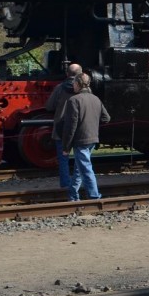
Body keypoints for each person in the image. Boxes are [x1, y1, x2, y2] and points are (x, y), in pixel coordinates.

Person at [59, 72, 110, 202]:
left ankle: (94, 196)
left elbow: (70, 126)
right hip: (92, 138)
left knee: (85, 168)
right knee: (79, 169)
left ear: (77, 84)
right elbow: (106, 118)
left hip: (80, 140)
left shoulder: (73, 100)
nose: (73, 86)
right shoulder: (95, 99)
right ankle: (72, 194)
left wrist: (65, 147)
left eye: (74, 83)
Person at [45, 62, 83, 190]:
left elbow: (49, 106)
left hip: (61, 127)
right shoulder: (85, 89)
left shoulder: (59, 88)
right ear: (80, 74)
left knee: (63, 159)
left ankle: (65, 184)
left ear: (67, 73)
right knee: (80, 159)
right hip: (79, 128)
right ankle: (77, 185)